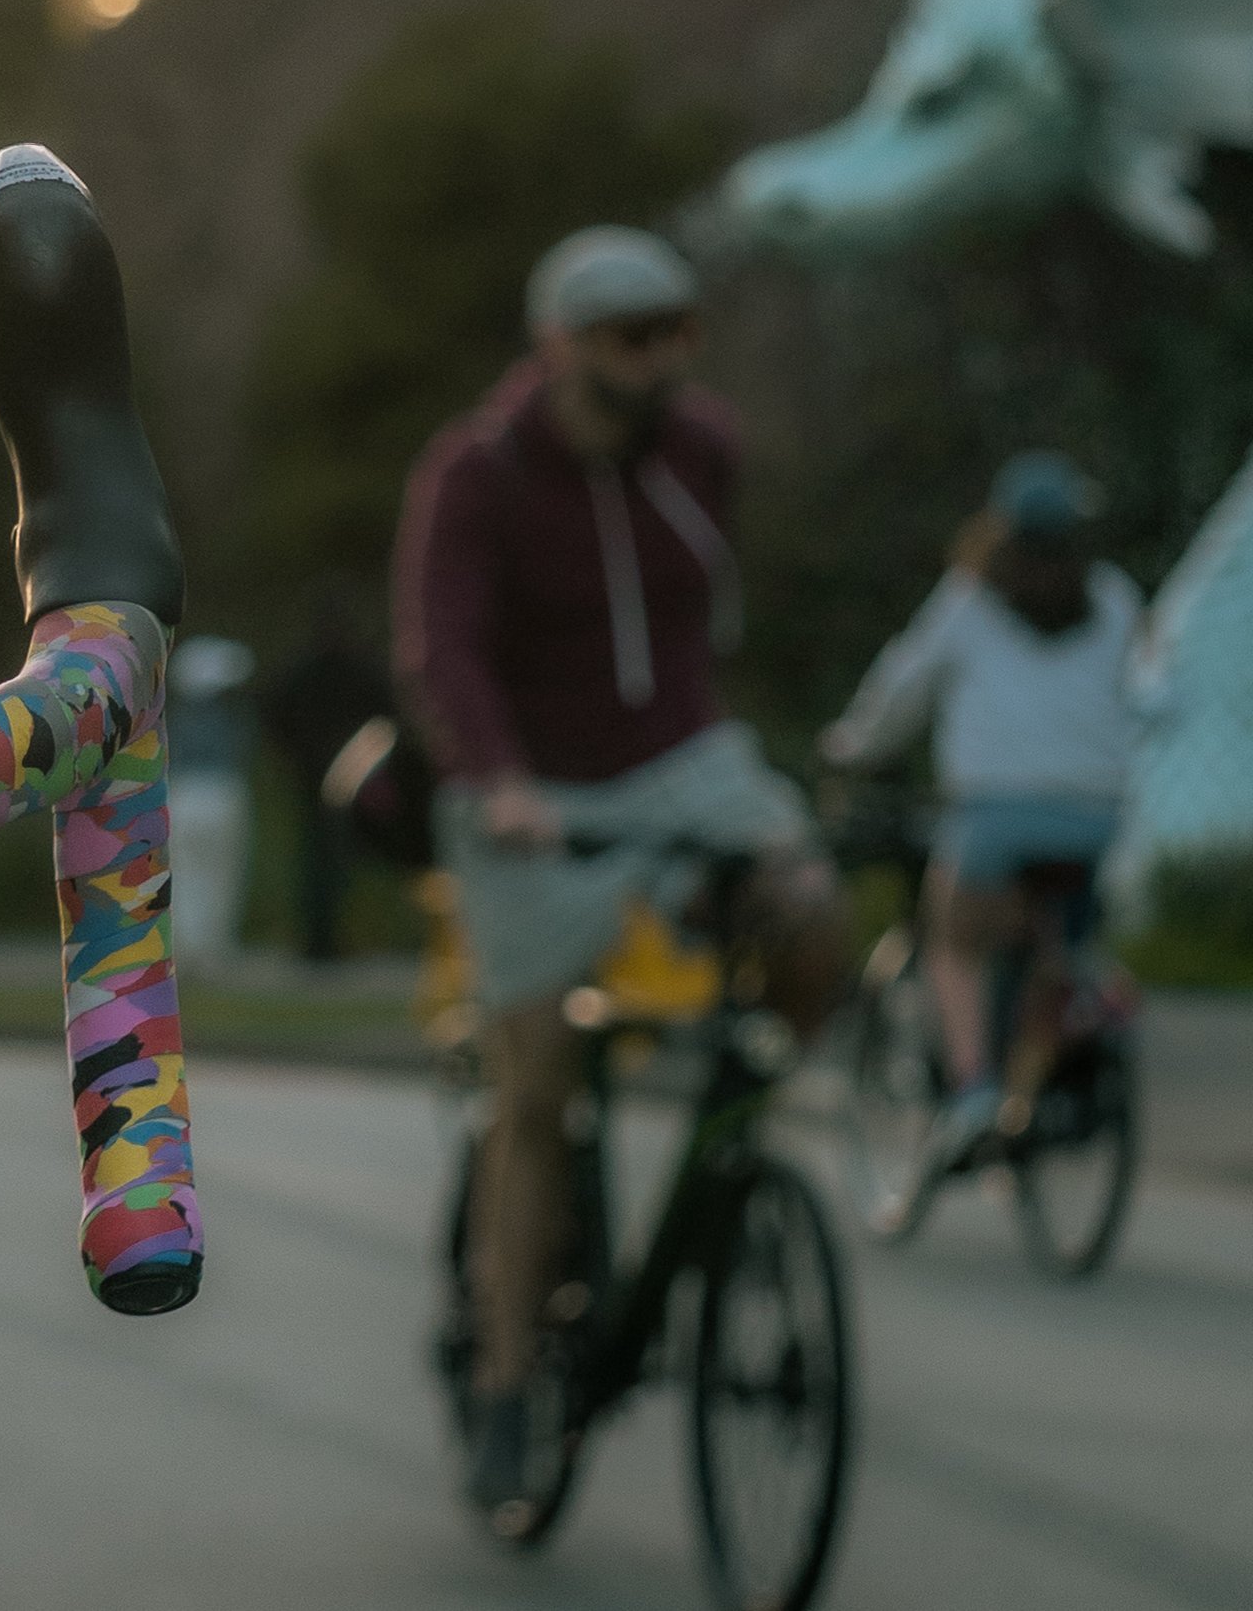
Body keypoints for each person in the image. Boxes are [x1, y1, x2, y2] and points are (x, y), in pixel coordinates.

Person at [394, 225, 845, 1534]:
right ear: (560, 345)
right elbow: (444, 646)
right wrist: (499, 778)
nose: (662, 359)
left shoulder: (705, 449)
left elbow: (697, 627)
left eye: (676, 331)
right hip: (533, 788)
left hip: (681, 762)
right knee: (535, 1085)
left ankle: (734, 1142)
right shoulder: (477, 471)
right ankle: (504, 1379)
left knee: (812, 910)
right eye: (632, 335)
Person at [822, 447, 1141, 1177]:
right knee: (1054, 945)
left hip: (996, 816)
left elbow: (904, 685)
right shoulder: (1112, 596)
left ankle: (972, 1090)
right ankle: (1055, 1041)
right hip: (1097, 815)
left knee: (955, 944)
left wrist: (850, 744)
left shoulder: (971, 599)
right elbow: (1147, 687)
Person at [262, 578, 392, 964]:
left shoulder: (308, 670)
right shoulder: (350, 670)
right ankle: (321, 940)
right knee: (327, 859)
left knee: (324, 858)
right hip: (329, 776)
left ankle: (322, 939)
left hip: (327, 775)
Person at [164, 634, 257, 966]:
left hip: (185, 794)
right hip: (219, 793)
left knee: (187, 874)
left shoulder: (175, 717)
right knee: (218, 874)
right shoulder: (231, 716)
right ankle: (208, 948)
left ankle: (191, 947)